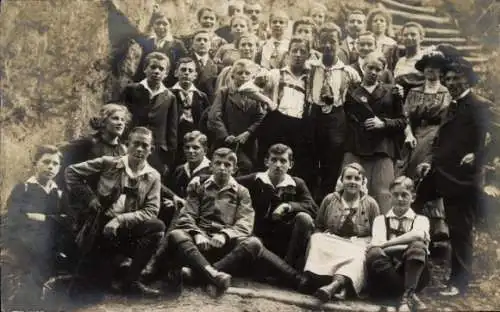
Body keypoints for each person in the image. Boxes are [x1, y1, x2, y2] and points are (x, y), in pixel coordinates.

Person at [416, 55, 491, 297]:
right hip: (440, 172)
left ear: (468, 79)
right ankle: (412, 264)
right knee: (412, 206)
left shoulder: (479, 104)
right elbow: (441, 139)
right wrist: (428, 162)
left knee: (460, 229)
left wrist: (478, 157)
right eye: (448, 78)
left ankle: (459, 283)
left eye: (457, 78)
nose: (452, 82)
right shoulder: (454, 103)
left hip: (462, 178)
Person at [65, 127, 165, 296]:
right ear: (127, 145)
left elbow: (151, 210)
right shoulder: (109, 163)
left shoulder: (153, 176)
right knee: (97, 287)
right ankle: (108, 267)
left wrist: (121, 220)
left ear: (151, 150)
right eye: (136, 144)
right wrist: (90, 198)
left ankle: (131, 282)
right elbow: (71, 172)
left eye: (145, 146)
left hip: (127, 229)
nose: (140, 149)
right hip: (101, 227)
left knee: (157, 227)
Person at [167, 148, 260, 296]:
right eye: (218, 163)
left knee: (254, 243)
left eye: (227, 165)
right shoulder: (200, 187)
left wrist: (225, 234)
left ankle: (201, 273)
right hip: (200, 244)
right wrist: (197, 234)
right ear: (211, 166)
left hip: (225, 246)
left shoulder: (242, 192)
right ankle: (214, 274)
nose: (222, 168)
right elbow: (187, 215)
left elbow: (245, 222)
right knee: (176, 234)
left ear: (234, 169)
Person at [302, 163, 380, 301]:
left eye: (357, 179)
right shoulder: (330, 199)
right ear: (341, 180)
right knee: (316, 239)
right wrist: (319, 235)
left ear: (363, 182)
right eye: (348, 177)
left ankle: (335, 285)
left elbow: (377, 232)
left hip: (357, 243)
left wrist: (367, 243)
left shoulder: (371, 204)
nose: (352, 182)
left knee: (359, 254)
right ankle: (317, 280)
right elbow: (319, 225)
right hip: (332, 240)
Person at [343, 52, 406, 214]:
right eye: (370, 67)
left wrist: (383, 123)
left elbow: (402, 121)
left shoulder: (392, 92)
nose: (373, 72)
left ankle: (383, 228)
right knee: (352, 188)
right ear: (363, 66)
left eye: (378, 69)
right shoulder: (351, 93)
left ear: (383, 71)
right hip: (357, 146)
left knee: (383, 191)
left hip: (382, 147)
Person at [237, 144, 317, 270]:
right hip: (257, 236)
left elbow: (312, 207)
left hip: (284, 240)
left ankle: (287, 266)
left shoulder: (297, 184)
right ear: (266, 162)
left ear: (290, 164)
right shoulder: (255, 180)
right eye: (274, 160)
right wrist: (199, 178)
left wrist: (288, 206)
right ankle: (281, 272)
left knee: (304, 218)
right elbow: (229, 181)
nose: (278, 165)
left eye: (283, 161)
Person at [4, 145, 65, 307]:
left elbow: (67, 220)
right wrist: (53, 219)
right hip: (24, 244)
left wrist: (41, 217)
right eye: (46, 162)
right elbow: (14, 218)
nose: (50, 167)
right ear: (35, 163)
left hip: (51, 245)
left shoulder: (58, 194)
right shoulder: (23, 189)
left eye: (55, 164)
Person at [308, 23, 361, 201]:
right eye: (324, 42)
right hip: (314, 116)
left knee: (333, 162)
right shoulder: (312, 68)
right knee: (312, 159)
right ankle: (312, 201)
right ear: (318, 42)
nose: (328, 46)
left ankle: (329, 200)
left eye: (332, 41)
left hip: (336, 118)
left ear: (339, 43)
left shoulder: (349, 72)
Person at [257, 36, 316, 189]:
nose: (298, 54)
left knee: (296, 166)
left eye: (302, 52)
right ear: (288, 53)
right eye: (294, 51)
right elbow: (247, 88)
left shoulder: (311, 77)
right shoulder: (276, 74)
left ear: (308, 56)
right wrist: (268, 101)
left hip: (300, 126)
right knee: (271, 162)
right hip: (277, 122)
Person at [366, 176, 430, 312]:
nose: (400, 199)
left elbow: (417, 235)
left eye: (404, 195)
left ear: (412, 198)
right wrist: (407, 246)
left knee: (418, 248)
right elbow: (377, 249)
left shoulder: (421, 219)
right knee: (374, 254)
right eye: (395, 195)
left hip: (415, 272)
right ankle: (407, 296)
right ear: (390, 197)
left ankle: (404, 297)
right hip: (386, 274)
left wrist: (386, 244)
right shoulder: (380, 220)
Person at [121, 52, 178, 176]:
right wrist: (123, 143)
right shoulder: (131, 90)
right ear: (145, 69)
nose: (156, 71)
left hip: (156, 152)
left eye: (161, 69)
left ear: (166, 73)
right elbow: (122, 118)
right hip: (132, 147)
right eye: (153, 67)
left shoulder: (169, 97)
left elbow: (171, 130)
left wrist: (168, 159)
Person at [208, 59, 266, 175]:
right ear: (233, 75)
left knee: (248, 168)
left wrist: (249, 132)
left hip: (248, 143)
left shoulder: (256, 95)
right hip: (227, 142)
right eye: (240, 73)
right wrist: (225, 135)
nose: (243, 76)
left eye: (247, 73)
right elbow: (214, 116)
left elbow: (261, 118)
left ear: (253, 76)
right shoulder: (224, 93)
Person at [170, 57, 210, 166]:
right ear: (176, 73)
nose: (186, 73)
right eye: (183, 70)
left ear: (195, 75)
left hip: (194, 143)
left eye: (190, 70)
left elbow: (206, 122)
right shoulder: (168, 94)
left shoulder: (201, 96)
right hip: (174, 141)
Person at [393, 22, 426, 97]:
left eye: (413, 34)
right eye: (405, 35)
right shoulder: (400, 62)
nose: (409, 37)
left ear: (421, 37)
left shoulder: (425, 58)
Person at [188, 30, 220, 103]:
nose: (202, 42)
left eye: (205, 40)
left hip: (209, 104)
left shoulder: (217, 65)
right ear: (192, 44)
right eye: (198, 40)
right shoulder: (185, 62)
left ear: (210, 44)